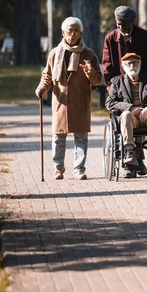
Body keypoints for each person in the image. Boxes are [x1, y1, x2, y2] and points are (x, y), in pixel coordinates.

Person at [35, 17, 102, 180]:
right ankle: (58, 168)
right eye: (69, 31)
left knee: (81, 137)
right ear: (63, 32)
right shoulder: (54, 53)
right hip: (61, 101)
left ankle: (79, 169)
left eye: (76, 31)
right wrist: (42, 88)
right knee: (58, 136)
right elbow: (48, 75)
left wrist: (90, 72)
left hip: (80, 101)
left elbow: (97, 80)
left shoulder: (88, 54)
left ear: (81, 33)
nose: (73, 34)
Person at [102, 5, 147, 175]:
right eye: (119, 24)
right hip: (120, 88)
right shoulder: (110, 39)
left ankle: (138, 159)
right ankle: (129, 161)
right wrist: (113, 87)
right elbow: (107, 66)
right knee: (126, 117)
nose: (122, 28)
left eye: (125, 24)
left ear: (132, 22)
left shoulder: (145, 37)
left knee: (141, 113)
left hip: (143, 85)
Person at [105, 52, 147, 178]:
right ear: (123, 66)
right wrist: (130, 108)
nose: (132, 66)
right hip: (130, 119)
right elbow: (110, 103)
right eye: (128, 63)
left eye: (135, 62)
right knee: (126, 114)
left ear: (140, 64)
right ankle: (129, 151)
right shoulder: (117, 81)